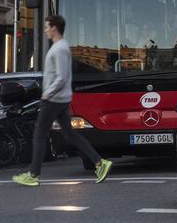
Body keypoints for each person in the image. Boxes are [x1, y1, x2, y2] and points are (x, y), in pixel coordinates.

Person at [13, 15, 113, 186]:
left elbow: (61, 76)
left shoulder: (59, 49)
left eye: (47, 27)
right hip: (61, 98)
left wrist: (47, 93)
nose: (45, 30)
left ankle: (33, 174)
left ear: (54, 28)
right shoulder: (62, 47)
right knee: (70, 134)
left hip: (54, 99)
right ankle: (100, 162)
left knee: (39, 134)